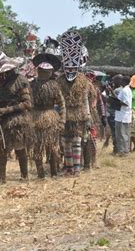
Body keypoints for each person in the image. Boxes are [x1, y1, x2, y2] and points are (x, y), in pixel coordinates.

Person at [0, 56, 34, 183]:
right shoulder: (0, 84)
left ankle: (24, 175)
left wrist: (8, 110)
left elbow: (27, 104)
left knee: (20, 147)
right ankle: (1, 178)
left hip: (18, 120)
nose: (0, 75)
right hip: (3, 121)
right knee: (2, 149)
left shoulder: (20, 81)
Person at [57, 31, 91, 177]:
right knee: (65, 143)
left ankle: (77, 168)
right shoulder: (59, 81)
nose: (70, 69)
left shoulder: (83, 81)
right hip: (64, 116)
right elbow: (57, 100)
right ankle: (68, 168)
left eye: (73, 66)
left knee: (77, 142)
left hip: (78, 115)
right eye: (67, 66)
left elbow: (85, 99)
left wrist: (88, 116)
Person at [31, 53, 66, 178]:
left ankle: (54, 172)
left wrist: (62, 121)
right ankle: (40, 174)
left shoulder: (54, 86)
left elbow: (62, 104)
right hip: (35, 120)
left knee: (52, 147)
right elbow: (27, 102)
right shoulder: (32, 85)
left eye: (46, 71)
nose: (43, 73)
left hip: (51, 119)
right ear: (38, 70)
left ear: (51, 72)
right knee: (37, 148)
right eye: (41, 70)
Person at [114, 76, 132, 156]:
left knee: (122, 134)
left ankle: (123, 151)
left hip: (123, 116)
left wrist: (116, 102)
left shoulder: (125, 90)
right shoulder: (126, 89)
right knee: (124, 134)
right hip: (122, 115)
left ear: (124, 81)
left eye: (121, 80)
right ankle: (124, 150)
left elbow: (126, 103)